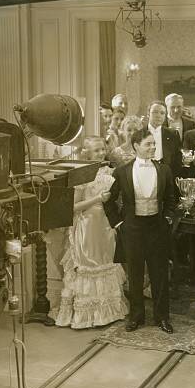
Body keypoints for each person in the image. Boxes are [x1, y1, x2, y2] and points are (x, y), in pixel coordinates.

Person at [104, 129, 176, 334]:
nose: (153, 147)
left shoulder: (164, 170)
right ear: (136, 146)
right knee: (135, 274)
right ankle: (136, 316)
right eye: (148, 144)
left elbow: (171, 199)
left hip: (157, 227)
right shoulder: (121, 171)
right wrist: (117, 224)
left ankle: (162, 318)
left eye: (154, 144)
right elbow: (109, 200)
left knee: (159, 275)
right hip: (132, 228)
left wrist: (168, 218)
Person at [55, 137, 129, 329]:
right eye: (96, 150)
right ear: (86, 153)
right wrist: (97, 198)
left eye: (102, 149)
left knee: (107, 262)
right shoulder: (81, 175)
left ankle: (109, 311)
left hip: (105, 226)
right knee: (87, 266)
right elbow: (73, 207)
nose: (101, 153)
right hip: (87, 228)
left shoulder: (109, 171)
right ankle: (86, 315)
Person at [144, 100, 182, 180]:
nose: (158, 116)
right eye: (155, 112)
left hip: (166, 178)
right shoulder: (139, 134)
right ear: (148, 114)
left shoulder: (173, 134)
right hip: (144, 176)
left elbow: (177, 162)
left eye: (162, 113)